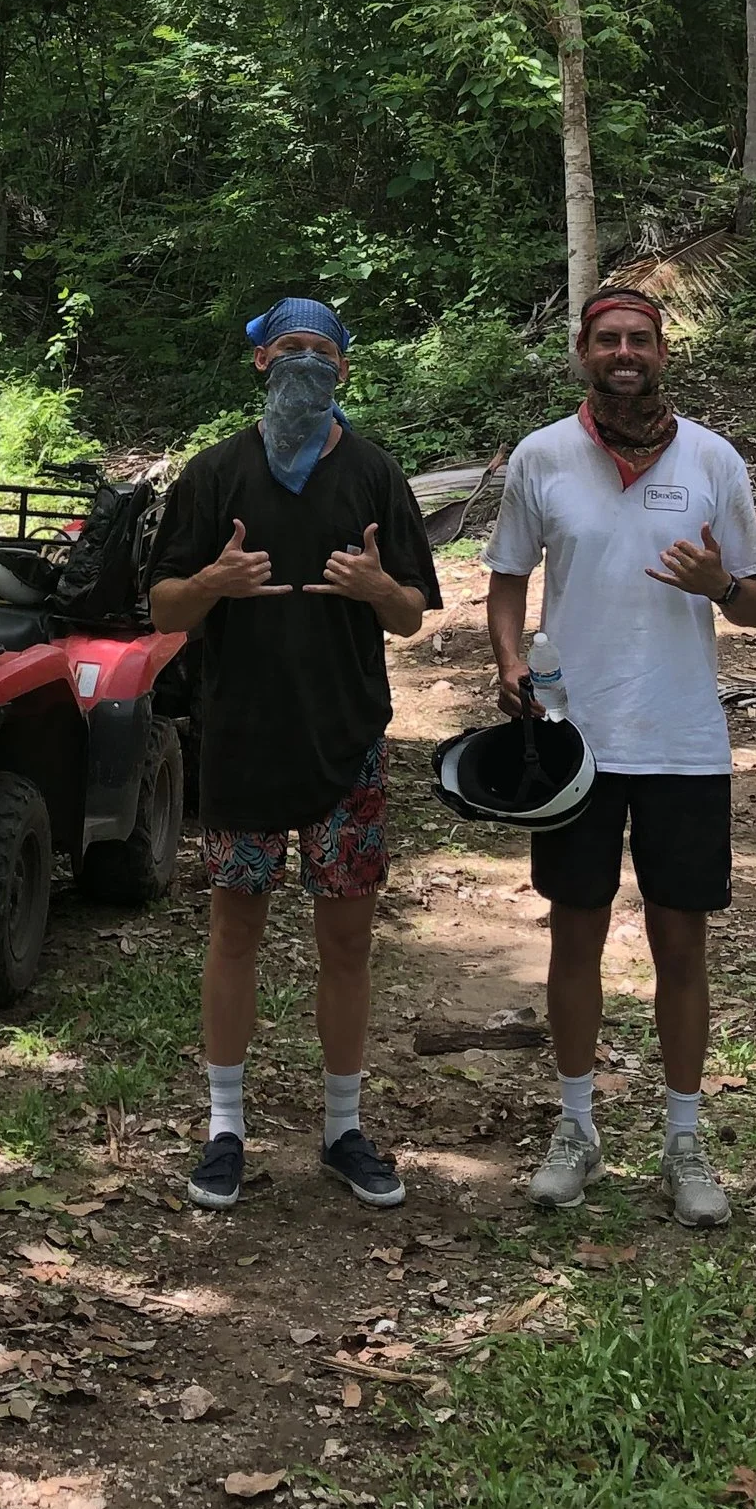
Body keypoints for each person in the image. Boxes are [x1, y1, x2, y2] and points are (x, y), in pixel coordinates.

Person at [485, 284, 756, 1228]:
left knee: (681, 942)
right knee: (575, 933)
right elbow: (506, 580)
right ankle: (576, 1128)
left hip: (683, 740)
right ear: (582, 351)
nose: (623, 352)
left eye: (639, 338)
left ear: (662, 351)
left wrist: (720, 582)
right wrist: (510, 661)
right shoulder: (542, 456)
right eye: (607, 338)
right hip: (575, 739)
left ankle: (684, 1139)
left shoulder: (712, 458)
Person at [148, 295, 442, 1212]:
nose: (305, 361)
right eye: (289, 348)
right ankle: (224, 1129)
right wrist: (214, 579)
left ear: (344, 368)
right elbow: (162, 607)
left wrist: (377, 586)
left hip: (346, 744)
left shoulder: (375, 473)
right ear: (260, 362)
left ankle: (344, 1128)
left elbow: (412, 614)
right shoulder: (214, 473)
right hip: (240, 740)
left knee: (346, 941)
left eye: (322, 349)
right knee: (234, 930)